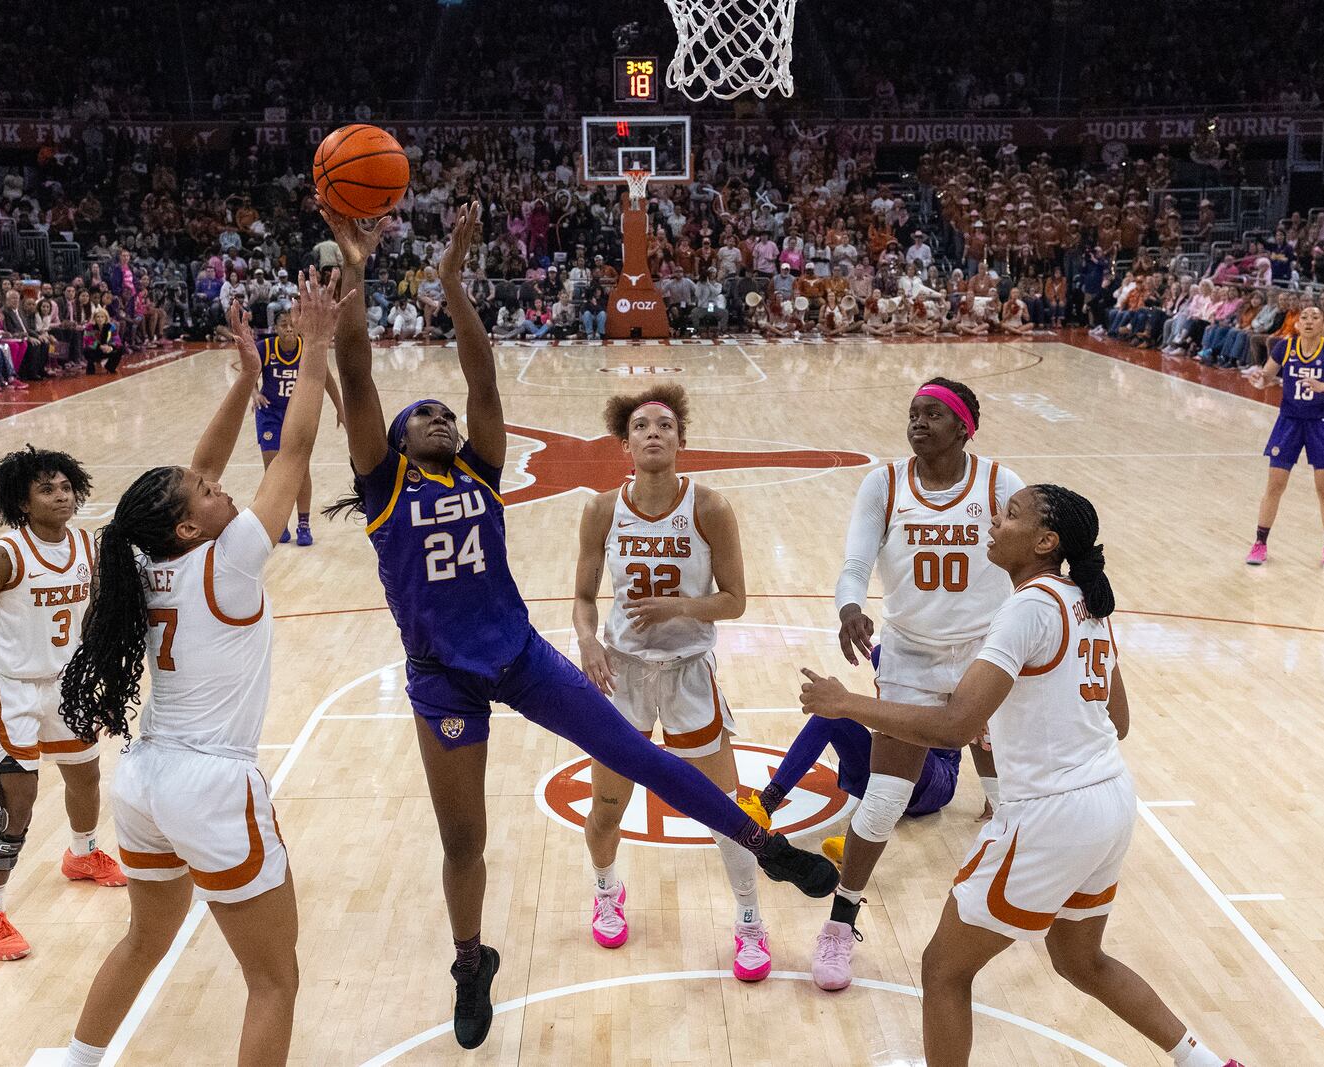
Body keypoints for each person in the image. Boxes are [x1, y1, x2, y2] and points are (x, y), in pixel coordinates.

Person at [320, 201, 836, 1050]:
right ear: (400, 439)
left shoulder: (482, 475)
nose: (444, 417)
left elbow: (484, 382)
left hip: (521, 655)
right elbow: (361, 376)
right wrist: (358, 277)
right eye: (427, 415)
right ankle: (469, 960)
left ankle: (763, 845)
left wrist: (452, 284)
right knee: (464, 838)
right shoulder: (384, 488)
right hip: (442, 675)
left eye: (447, 414)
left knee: (638, 754)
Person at [799, 484, 1245, 1067]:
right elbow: (1120, 719)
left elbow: (955, 726)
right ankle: (1209, 1063)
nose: (994, 519)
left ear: (1044, 541)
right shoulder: (1087, 602)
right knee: (1080, 960)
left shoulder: (1030, 604)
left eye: (1010, 515)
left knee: (944, 968)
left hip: (1050, 814)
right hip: (1110, 801)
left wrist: (847, 703)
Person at [52, 274, 349, 1067]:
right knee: (273, 978)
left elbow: (193, 469)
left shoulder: (147, 565)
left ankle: (75, 1061)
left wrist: (250, 379)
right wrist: (312, 352)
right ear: (191, 523)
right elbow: (296, 449)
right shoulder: (232, 560)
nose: (220, 485)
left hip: (144, 779)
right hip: (212, 783)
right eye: (210, 492)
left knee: (145, 939)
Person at [810, 377, 1024, 992]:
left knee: (1010, 793)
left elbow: (1033, 563)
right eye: (913, 414)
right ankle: (840, 921)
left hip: (987, 650)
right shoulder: (883, 483)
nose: (918, 423)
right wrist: (851, 605)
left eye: (933, 414)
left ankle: (1016, 895)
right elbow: (854, 562)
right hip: (907, 652)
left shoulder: (998, 485)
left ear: (964, 428)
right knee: (882, 799)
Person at [572, 385, 771, 981]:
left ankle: (750, 923)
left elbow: (735, 601)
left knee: (724, 811)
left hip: (688, 673)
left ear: (682, 440)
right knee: (607, 806)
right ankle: (607, 889)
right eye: (641, 426)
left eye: (665, 425)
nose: (653, 433)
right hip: (621, 674)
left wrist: (678, 608)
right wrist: (586, 641)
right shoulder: (601, 508)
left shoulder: (710, 506)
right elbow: (583, 597)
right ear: (625, 443)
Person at [0, 447, 123, 962]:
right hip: (12, 690)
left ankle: (83, 855)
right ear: (22, 502)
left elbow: (91, 619)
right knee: (16, 805)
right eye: (47, 489)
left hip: (67, 684)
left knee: (85, 777)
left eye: (66, 487)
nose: (61, 496)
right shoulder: (5, 554)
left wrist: (99, 679)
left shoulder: (87, 546)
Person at [740, 643, 959, 863]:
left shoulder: (958, 663)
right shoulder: (888, 652)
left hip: (936, 778)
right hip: (887, 758)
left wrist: (993, 795)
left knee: (901, 738)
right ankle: (765, 806)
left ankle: (859, 838)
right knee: (830, 716)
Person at [1245, 306, 1324, 568]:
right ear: (1297, 324)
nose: (1308, 321)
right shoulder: (1286, 347)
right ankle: (1260, 543)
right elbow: (1267, 378)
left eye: (1315, 317)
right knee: (1275, 485)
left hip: (1321, 423)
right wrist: (1258, 379)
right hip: (1289, 422)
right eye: (1304, 317)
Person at [252, 309, 344, 546]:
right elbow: (249, 371)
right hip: (270, 413)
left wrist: (340, 408)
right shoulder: (265, 348)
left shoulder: (306, 348)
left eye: (292, 325)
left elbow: (327, 378)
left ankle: (303, 523)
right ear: (277, 328)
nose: (289, 329)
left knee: (301, 468)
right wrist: (254, 392)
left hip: (298, 413)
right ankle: (279, 521)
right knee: (274, 469)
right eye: (284, 325)